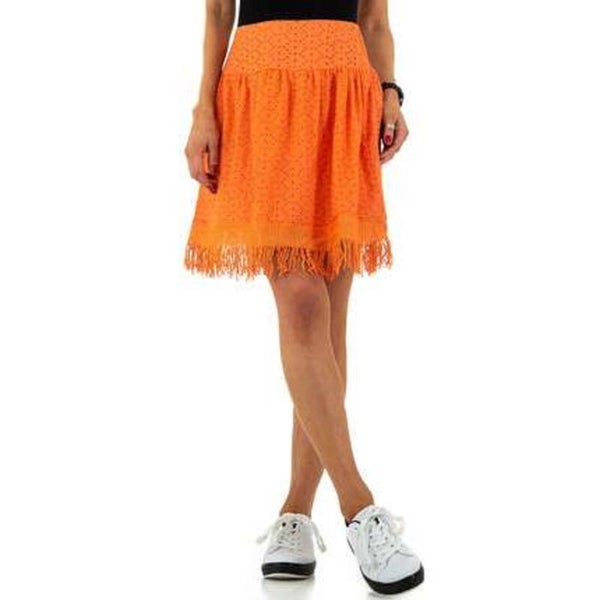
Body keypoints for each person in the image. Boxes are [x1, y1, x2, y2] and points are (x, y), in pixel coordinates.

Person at [183, 0, 424, 594]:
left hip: (344, 94)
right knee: (302, 300)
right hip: (260, 92)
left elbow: (374, 20)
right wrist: (203, 108)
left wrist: (390, 91)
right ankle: (359, 508)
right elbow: (218, 13)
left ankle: (294, 513)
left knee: (330, 325)